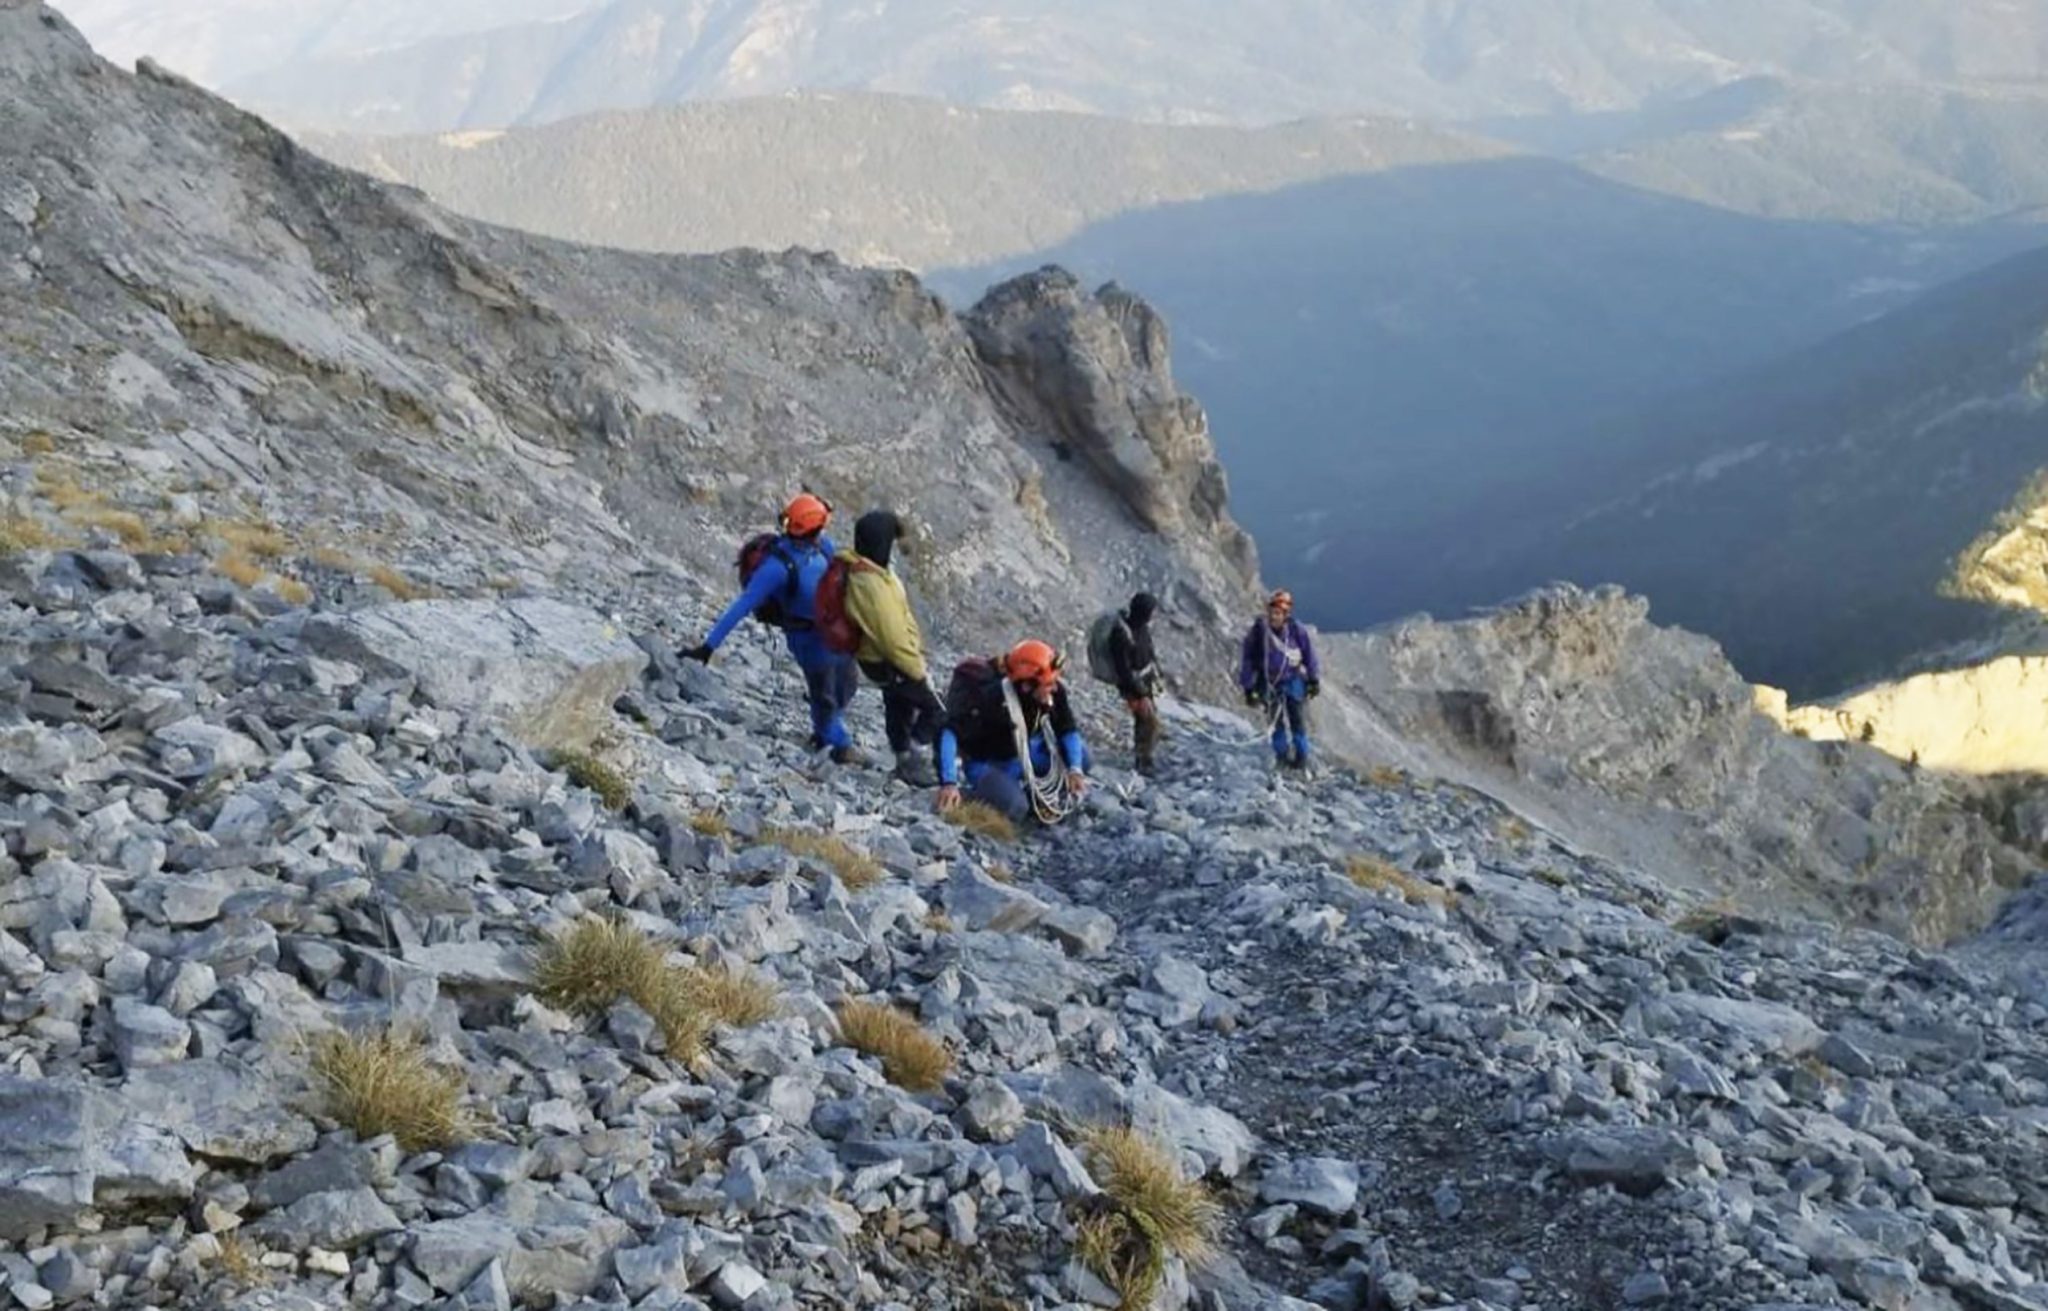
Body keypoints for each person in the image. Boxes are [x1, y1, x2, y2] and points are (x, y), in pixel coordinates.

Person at [684, 493, 862, 763]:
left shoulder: (822, 548)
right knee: (824, 693)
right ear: (814, 529)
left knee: (847, 684)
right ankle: (839, 745)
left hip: (835, 634)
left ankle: (825, 729)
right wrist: (709, 646)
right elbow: (742, 606)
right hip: (808, 642)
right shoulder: (777, 568)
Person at [837, 509, 943, 784]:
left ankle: (902, 760)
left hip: (878, 660)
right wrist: (918, 671)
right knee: (936, 710)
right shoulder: (871, 585)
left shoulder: (870, 572)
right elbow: (892, 639)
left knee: (899, 705)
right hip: (887, 660)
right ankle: (914, 759)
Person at [933, 639, 1091, 822]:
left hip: (1025, 752)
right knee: (1015, 808)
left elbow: (1067, 729)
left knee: (1082, 756)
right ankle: (967, 798)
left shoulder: (1054, 693)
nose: (1054, 688)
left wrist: (1075, 769)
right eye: (1048, 684)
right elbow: (950, 732)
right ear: (1026, 686)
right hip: (989, 762)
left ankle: (1037, 796)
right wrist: (949, 782)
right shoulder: (992, 700)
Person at [1239, 589, 1319, 770]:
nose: (1274, 617)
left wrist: (1313, 679)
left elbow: (1309, 655)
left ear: (1285, 614)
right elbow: (1248, 659)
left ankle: (1301, 758)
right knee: (1276, 723)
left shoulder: (1296, 631)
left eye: (1278, 613)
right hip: (1269, 682)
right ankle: (1282, 756)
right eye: (1272, 612)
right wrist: (1248, 687)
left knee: (1297, 720)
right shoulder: (1259, 632)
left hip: (1293, 680)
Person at [1107, 592, 1165, 774]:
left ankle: (1144, 755)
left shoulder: (1141, 628)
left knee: (1145, 719)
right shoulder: (1121, 634)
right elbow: (1123, 671)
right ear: (1144, 612)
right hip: (1132, 686)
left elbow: (1148, 650)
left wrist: (1156, 672)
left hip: (1145, 681)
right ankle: (1143, 761)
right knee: (1150, 722)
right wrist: (1140, 694)